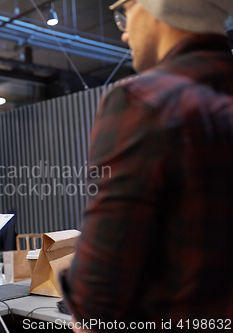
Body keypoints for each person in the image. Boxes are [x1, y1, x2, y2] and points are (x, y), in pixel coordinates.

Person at [60, 0, 233, 331]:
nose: (124, 35)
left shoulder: (143, 103)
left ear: (155, 6)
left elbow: (95, 301)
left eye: (124, 11)